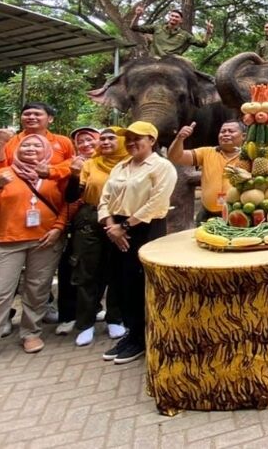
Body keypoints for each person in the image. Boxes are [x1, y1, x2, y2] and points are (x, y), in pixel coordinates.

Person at [0, 133, 69, 372]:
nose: (30, 148)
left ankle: (31, 332)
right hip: (7, 240)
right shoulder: (3, 173)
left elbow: (67, 205)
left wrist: (58, 228)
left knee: (38, 289)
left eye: (36, 146)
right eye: (25, 145)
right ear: (16, 150)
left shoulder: (54, 174)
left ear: (46, 152)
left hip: (45, 240)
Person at [97, 121, 177, 365]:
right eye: (128, 138)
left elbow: (157, 203)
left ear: (151, 140)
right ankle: (133, 332)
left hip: (145, 229)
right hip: (116, 228)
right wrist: (111, 225)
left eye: (137, 138)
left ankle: (145, 337)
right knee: (121, 282)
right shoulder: (121, 166)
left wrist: (124, 227)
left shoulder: (162, 167)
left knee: (140, 281)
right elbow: (105, 197)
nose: (131, 142)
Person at [65, 127, 128, 347]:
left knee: (118, 270)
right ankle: (85, 323)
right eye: (103, 139)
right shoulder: (90, 164)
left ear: (122, 141)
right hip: (91, 219)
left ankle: (115, 318)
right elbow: (72, 195)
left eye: (112, 138)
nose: (106, 141)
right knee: (87, 271)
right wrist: (73, 175)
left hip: (122, 219)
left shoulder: (131, 163)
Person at [52, 126, 101, 337]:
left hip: (98, 225)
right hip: (71, 224)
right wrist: (60, 225)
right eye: (80, 141)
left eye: (91, 140)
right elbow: (68, 200)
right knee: (69, 270)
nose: (86, 145)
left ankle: (93, 309)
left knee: (94, 270)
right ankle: (67, 315)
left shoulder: (107, 164)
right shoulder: (70, 166)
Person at [168, 120, 247, 220]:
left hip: (239, 213)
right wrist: (179, 138)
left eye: (231, 131)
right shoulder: (206, 152)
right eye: (223, 131)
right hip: (207, 214)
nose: (226, 134)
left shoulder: (249, 156)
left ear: (243, 136)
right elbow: (175, 157)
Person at [130, 3, 213, 58]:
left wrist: (208, 32)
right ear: (169, 17)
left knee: (190, 66)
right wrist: (137, 15)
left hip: (174, 59)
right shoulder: (157, 27)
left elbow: (202, 44)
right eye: (172, 16)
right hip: (154, 57)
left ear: (181, 21)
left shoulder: (185, 34)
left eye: (177, 17)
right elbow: (134, 27)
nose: (173, 18)